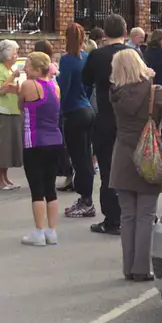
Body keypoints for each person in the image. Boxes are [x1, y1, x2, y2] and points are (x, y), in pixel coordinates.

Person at [108, 48, 162, 281]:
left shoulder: (115, 94)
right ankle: (141, 268)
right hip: (149, 156)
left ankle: (128, 267)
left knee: (127, 216)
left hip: (122, 158)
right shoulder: (155, 92)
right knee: (146, 215)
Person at [82, 14, 129, 236]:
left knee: (108, 170)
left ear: (105, 33)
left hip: (106, 117)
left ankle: (112, 219)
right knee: (131, 167)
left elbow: (86, 82)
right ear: (125, 32)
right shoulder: (134, 54)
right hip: (130, 118)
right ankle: (131, 213)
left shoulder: (97, 55)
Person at [17, 50, 65, 247]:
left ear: (37, 69)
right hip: (55, 140)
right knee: (50, 187)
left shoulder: (29, 85)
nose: (25, 69)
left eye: (28, 65)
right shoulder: (55, 87)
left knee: (37, 188)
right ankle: (51, 231)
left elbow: (21, 106)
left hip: (34, 141)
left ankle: (39, 231)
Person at [58, 22, 96, 219]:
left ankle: (86, 200)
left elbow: (63, 86)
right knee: (86, 156)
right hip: (87, 108)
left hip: (73, 111)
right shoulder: (87, 58)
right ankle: (86, 197)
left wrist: (61, 108)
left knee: (79, 158)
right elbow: (89, 85)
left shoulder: (66, 60)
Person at [0, 39, 23, 191]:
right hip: (2, 112)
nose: (16, 56)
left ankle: (5, 177)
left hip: (13, 111)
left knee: (9, 147)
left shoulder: (9, 70)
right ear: (7, 55)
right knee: (1, 146)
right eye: (15, 53)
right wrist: (12, 78)